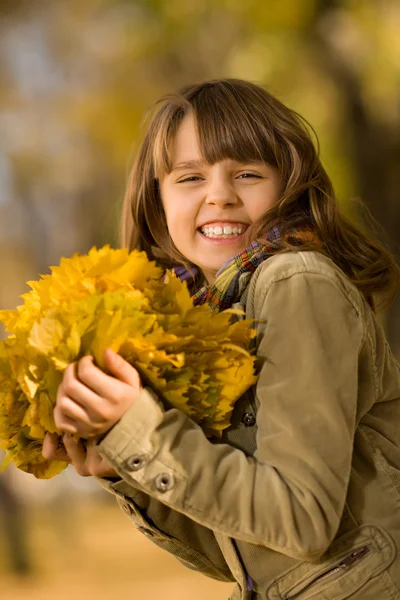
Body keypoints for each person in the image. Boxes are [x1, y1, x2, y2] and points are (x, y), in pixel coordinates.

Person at [42, 79, 400, 599]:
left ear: (289, 186)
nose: (219, 195)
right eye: (189, 178)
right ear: (157, 201)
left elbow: (301, 520)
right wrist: (127, 464)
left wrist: (143, 434)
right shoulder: (221, 316)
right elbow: (253, 552)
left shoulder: (295, 281)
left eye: (248, 173)